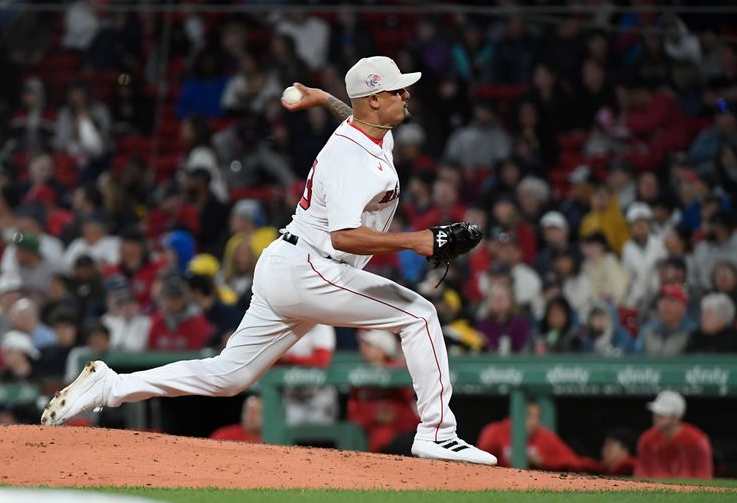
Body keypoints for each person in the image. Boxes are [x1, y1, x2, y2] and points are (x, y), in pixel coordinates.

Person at [42, 56, 496, 465]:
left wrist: (322, 99)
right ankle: (438, 433)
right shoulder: (353, 160)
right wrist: (417, 241)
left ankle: (109, 387)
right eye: (397, 89)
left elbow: (352, 114)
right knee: (419, 314)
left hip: (290, 263)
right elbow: (343, 235)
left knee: (227, 376)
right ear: (375, 99)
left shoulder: (370, 130)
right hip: (313, 267)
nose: (406, 94)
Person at [477, 400, 598, 471]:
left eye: (537, 417)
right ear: (515, 416)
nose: (534, 422)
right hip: (502, 482)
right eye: (529, 416)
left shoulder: (545, 436)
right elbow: (479, 461)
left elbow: (573, 462)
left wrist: (543, 461)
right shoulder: (495, 431)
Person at [635, 390, 713, 479]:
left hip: (687, 491)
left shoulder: (696, 440)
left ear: (676, 416)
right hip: (654, 490)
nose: (657, 416)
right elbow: (641, 473)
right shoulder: (646, 438)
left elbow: (704, 476)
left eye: (663, 413)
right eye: (656, 412)